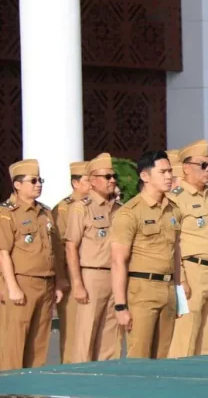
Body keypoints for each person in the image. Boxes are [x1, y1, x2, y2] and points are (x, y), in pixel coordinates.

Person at [111, 151, 182, 359]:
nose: (169, 176)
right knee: (139, 356)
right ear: (145, 176)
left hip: (168, 288)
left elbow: (175, 252)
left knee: (163, 358)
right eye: (162, 172)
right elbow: (118, 261)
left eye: (170, 171)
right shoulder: (130, 212)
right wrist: (121, 306)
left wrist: (178, 294)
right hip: (142, 290)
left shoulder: (173, 210)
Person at [168, 140, 208, 358]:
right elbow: (173, 242)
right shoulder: (176, 198)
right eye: (202, 165)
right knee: (187, 332)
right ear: (186, 168)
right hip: (192, 270)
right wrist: (181, 279)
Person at [0, 160, 64, 370]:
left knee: (39, 340)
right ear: (17, 185)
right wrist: (12, 287)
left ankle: (33, 385)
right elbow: (3, 253)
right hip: (22, 282)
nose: (38, 185)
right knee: (15, 340)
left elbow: (54, 250)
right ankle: (10, 385)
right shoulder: (7, 213)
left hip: (45, 282)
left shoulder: (45, 212)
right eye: (33, 181)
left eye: (40, 180)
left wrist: (57, 283)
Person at [65, 153, 122, 362]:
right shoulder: (81, 207)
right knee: (86, 335)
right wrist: (77, 283)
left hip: (115, 275)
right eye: (107, 176)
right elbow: (71, 247)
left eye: (113, 176)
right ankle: (81, 379)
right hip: (92, 275)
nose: (112, 180)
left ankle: (106, 378)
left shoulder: (119, 209)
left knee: (111, 335)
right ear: (92, 180)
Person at [52, 161, 90, 363]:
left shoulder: (96, 205)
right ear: (75, 183)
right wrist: (61, 278)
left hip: (93, 274)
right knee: (72, 333)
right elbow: (59, 248)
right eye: (88, 179)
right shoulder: (63, 209)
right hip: (71, 274)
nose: (93, 183)